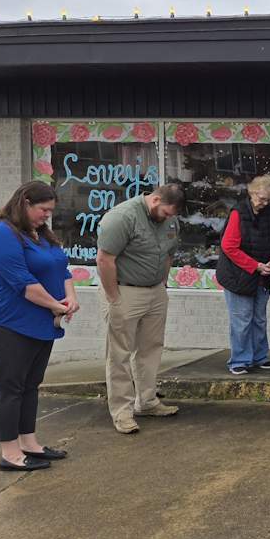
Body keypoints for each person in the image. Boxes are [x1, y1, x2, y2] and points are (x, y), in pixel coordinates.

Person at [0, 182, 78, 471]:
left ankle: (29, 443)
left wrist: (71, 297)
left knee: (30, 385)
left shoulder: (39, 234)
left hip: (39, 322)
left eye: (50, 211)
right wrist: (55, 306)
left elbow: (62, 267)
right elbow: (22, 282)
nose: (47, 215)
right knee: (9, 388)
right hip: (8, 322)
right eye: (43, 210)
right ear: (25, 202)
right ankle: (10, 453)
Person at [96, 184, 184, 434]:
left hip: (155, 290)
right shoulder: (122, 217)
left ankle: (146, 401)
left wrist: (163, 285)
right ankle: (122, 412)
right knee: (119, 354)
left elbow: (169, 254)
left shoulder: (170, 221)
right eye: (166, 213)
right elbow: (104, 259)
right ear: (155, 199)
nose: (169, 219)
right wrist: (114, 298)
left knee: (150, 348)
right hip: (124, 290)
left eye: (172, 215)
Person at [217, 175, 270, 375]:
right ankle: (240, 359)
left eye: (269, 200)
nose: (265, 203)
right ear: (252, 193)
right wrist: (255, 266)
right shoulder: (238, 212)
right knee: (242, 319)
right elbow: (229, 247)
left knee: (259, 318)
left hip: (262, 273)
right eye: (262, 199)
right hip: (238, 276)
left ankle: (259, 356)